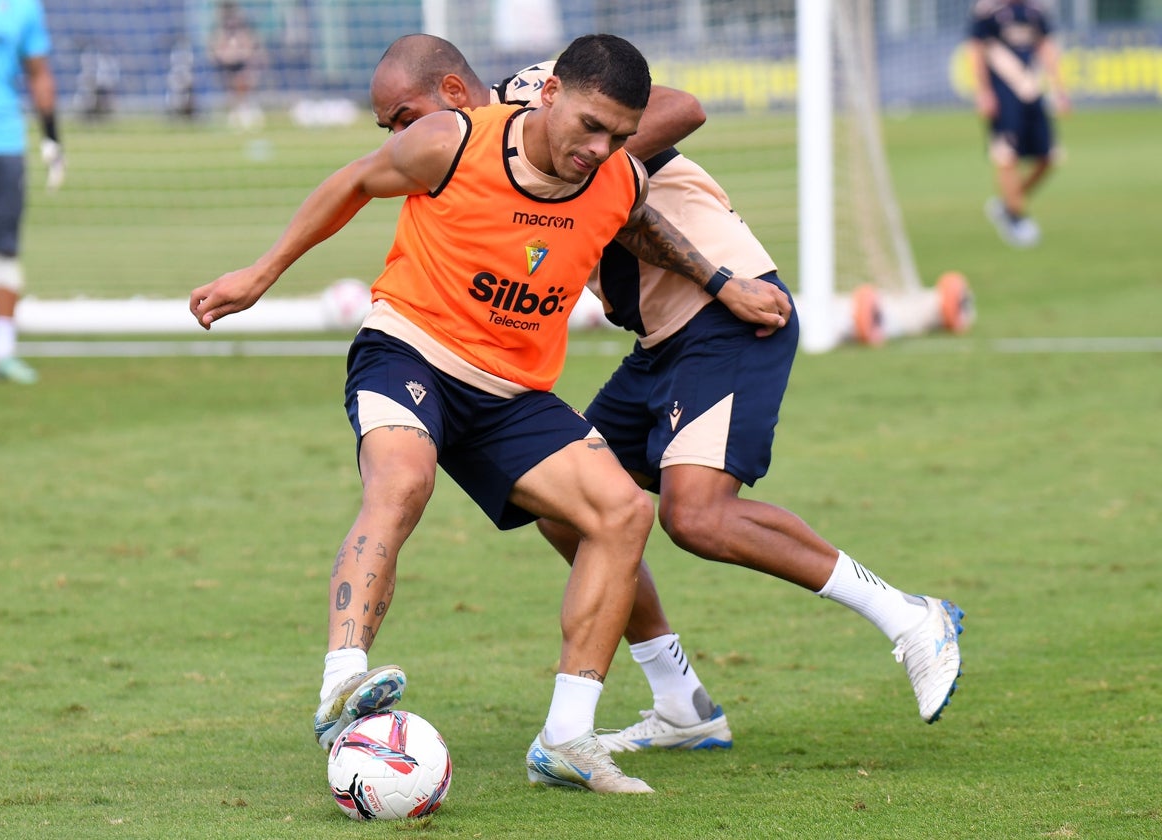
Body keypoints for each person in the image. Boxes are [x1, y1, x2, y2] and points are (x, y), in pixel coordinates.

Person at [189, 34, 791, 795]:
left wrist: (725, 281)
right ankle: (342, 679)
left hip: (511, 393)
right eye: (589, 126)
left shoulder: (613, 176)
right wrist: (258, 274)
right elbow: (353, 182)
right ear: (547, 94)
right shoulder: (449, 141)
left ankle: (568, 739)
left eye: (618, 135)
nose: (600, 147)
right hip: (409, 351)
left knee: (619, 514)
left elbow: (640, 225)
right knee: (403, 482)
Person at [368, 34, 967, 753]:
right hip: (658, 342)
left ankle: (909, 617)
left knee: (699, 518)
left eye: (405, 118)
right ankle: (682, 702)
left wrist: (585, 162)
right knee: (567, 508)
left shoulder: (538, 101)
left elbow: (682, 107)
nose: (403, 141)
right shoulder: (487, 166)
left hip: (729, 315)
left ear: (456, 95)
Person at [0, 0, 63, 386]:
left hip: (6, 141)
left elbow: (39, 71)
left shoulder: (24, 7)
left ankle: (3, 351)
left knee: (6, 246)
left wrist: (52, 134)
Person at [968, 0, 1070, 248]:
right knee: (1006, 156)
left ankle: (1007, 203)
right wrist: (983, 92)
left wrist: (1059, 88)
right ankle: (1016, 218)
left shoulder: (1036, 10)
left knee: (1050, 158)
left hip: (1031, 92)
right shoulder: (987, 11)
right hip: (1004, 94)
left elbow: (1046, 46)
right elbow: (976, 50)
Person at [210, 1, 264, 130]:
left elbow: (251, 46)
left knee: (244, 76)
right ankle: (236, 110)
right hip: (226, 64)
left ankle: (245, 108)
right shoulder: (219, 28)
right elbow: (215, 49)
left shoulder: (243, 25)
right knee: (230, 77)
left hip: (242, 62)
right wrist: (226, 55)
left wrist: (240, 53)